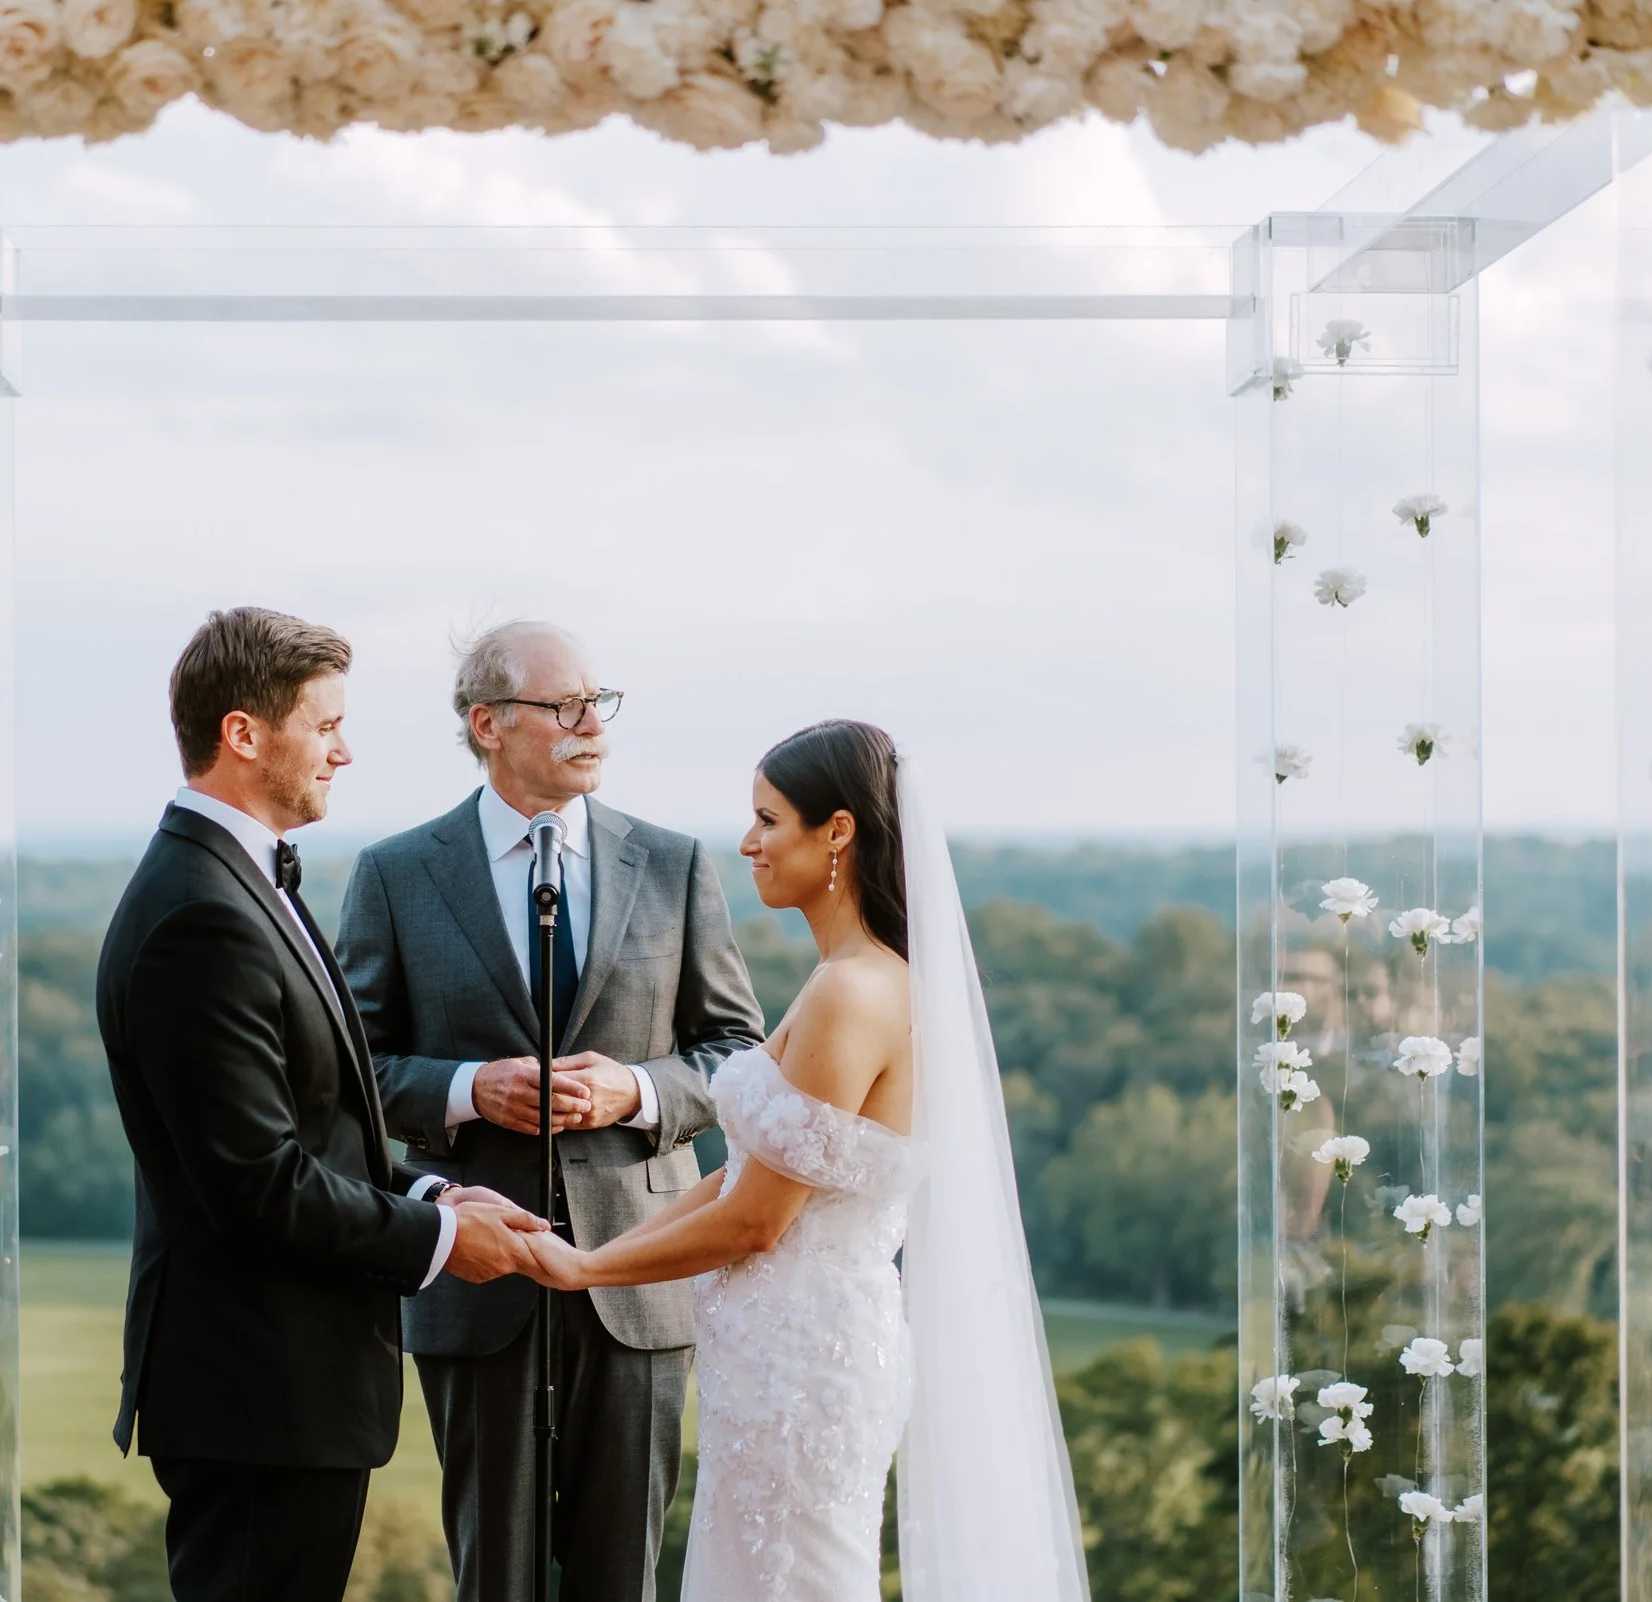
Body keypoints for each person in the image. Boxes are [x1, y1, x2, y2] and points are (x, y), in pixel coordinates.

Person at [520, 720, 1089, 1602]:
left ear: (838, 830)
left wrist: (586, 1269)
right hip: (775, 1363)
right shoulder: (845, 976)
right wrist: (592, 1251)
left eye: (767, 818)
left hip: (804, 1372)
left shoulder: (853, 993)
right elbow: (745, 1171)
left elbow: (757, 1218)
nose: (747, 841)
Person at [94, 607, 547, 1602]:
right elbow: (256, 1178)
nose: (346, 750)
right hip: (255, 1388)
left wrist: (436, 1186)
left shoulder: (237, 879)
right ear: (242, 733)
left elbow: (314, 1118)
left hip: (283, 1391)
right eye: (326, 723)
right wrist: (434, 1240)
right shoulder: (199, 915)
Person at [336, 620, 764, 1602]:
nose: (589, 723)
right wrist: (464, 1088)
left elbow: (736, 1052)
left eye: (596, 702)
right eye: (560, 704)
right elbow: (346, 1070)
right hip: (477, 1277)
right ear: (486, 723)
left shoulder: (674, 864)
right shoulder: (397, 874)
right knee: (499, 1576)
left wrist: (638, 1089)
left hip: (641, 1275)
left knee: (621, 1576)